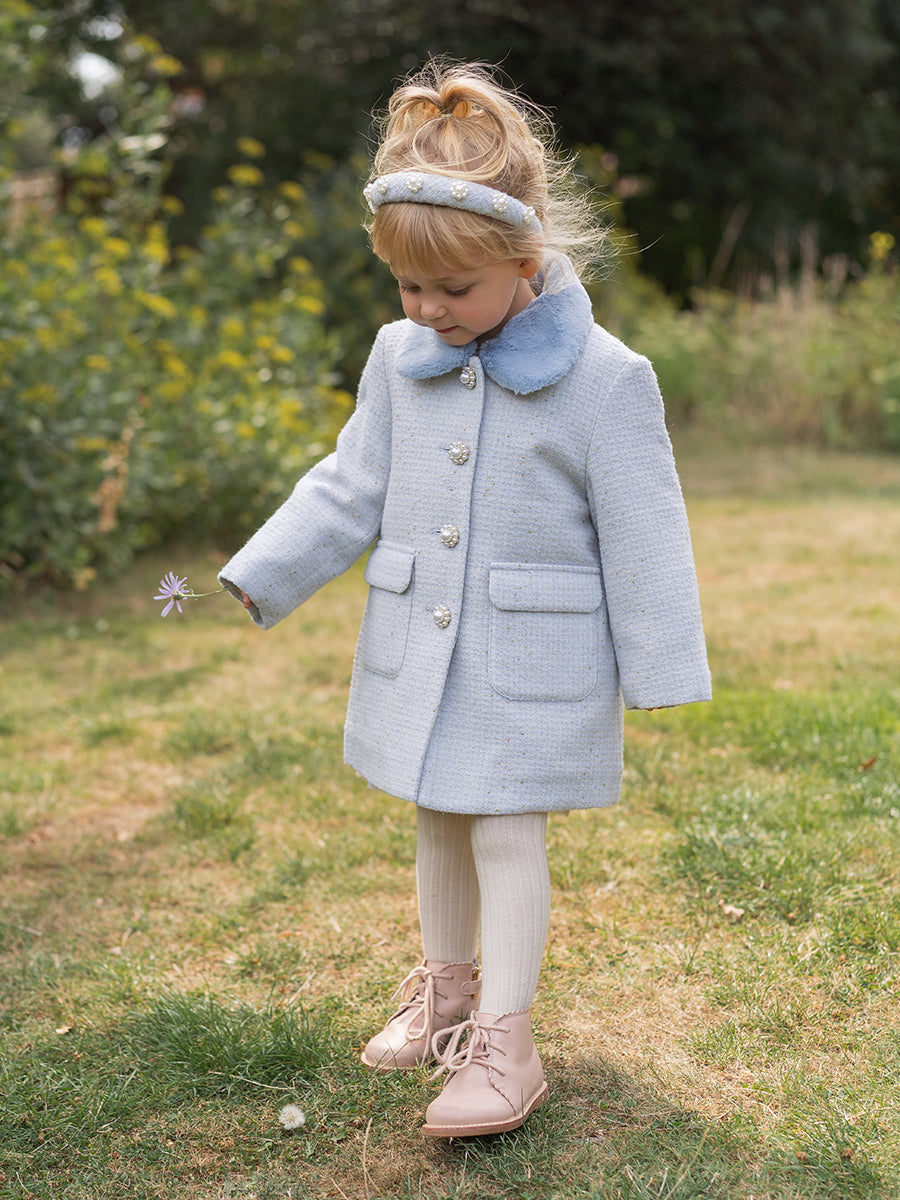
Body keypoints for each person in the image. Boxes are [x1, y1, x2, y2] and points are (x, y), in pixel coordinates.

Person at [219, 59, 711, 1139]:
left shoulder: (606, 378)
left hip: (529, 658)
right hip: (419, 641)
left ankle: (507, 1040)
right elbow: (351, 483)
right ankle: (445, 991)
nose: (429, 310)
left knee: (503, 827)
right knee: (436, 809)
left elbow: (645, 532)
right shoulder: (398, 357)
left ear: (525, 261)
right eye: (409, 288)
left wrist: (662, 667)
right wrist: (265, 570)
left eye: (454, 289)